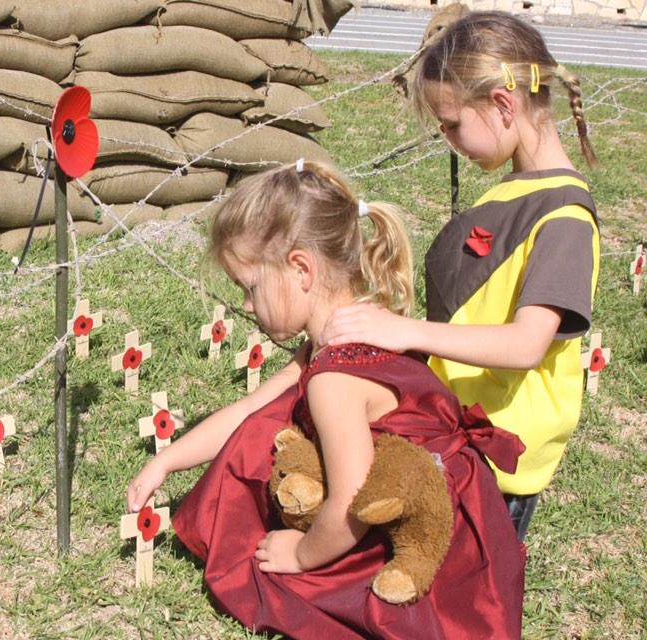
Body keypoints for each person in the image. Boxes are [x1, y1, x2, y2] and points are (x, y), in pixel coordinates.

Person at [127, 160, 525, 639]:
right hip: (449, 515)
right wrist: (167, 461)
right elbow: (249, 410)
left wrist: (301, 554)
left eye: (250, 288)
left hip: (429, 549)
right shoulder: (357, 325)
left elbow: (351, 503)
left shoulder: (333, 379)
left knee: (273, 580)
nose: (247, 306)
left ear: (301, 268)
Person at [323, 11, 600, 542]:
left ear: (502, 105)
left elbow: (526, 345)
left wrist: (404, 332)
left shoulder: (563, 219)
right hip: (460, 433)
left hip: (499, 455)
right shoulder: (517, 190)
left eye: (451, 124)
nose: (448, 139)